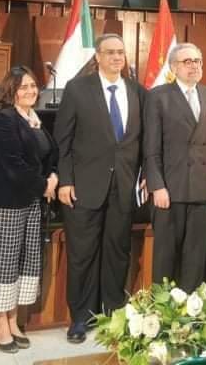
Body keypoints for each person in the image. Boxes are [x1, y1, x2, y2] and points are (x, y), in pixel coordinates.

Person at [55, 33, 145, 344]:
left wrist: (145, 174)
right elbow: (63, 140)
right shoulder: (78, 89)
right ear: (98, 56)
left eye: (121, 52)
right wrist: (65, 180)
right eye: (110, 52)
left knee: (117, 254)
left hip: (123, 187)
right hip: (84, 187)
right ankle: (81, 317)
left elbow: (143, 141)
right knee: (82, 255)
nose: (117, 57)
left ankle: (113, 313)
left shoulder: (137, 91)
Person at [0, 66, 58, 353]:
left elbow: (49, 155)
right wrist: (44, 185)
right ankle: (1, 324)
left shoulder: (33, 119)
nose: (31, 91)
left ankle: (14, 321)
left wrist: (53, 175)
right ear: (10, 90)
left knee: (25, 261)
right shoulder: (3, 120)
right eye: (23, 87)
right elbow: (13, 165)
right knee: (4, 263)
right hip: (7, 203)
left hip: (31, 202)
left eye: (33, 86)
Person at [143, 43, 206, 292]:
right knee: (166, 256)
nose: (194, 66)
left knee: (196, 256)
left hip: (203, 190)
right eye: (187, 61)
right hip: (170, 190)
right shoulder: (158, 96)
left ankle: (190, 307)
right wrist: (157, 185)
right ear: (173, 67)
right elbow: (151, 146)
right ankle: (162, 308)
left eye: (197, 60)